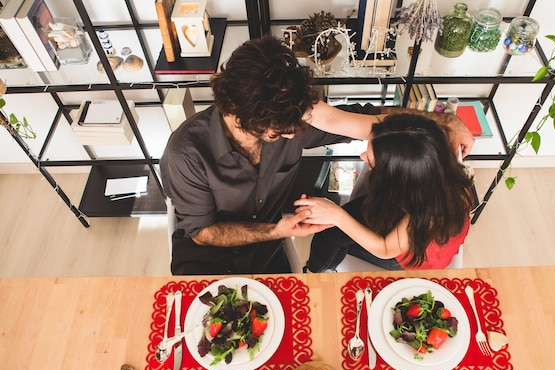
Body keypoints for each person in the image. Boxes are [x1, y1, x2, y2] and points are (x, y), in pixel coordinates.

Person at [160, 36, 474, 275]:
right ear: (242, 114)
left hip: (268, 258)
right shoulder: (186, 153)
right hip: (203, 269)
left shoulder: (291, 120)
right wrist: (276, 230)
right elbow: (202, 233)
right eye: (282, 130)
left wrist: (443, 121)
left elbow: (373, 121)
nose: (294, 133)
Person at [294, 113, 475, 272]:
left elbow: (386, 248)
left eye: (371, 161)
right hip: (409, 226)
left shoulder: (427, 215)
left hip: (408, 256)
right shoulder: (439, 169)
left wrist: (336, 215)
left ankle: (313, 274)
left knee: (329, 235)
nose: (362, 156)